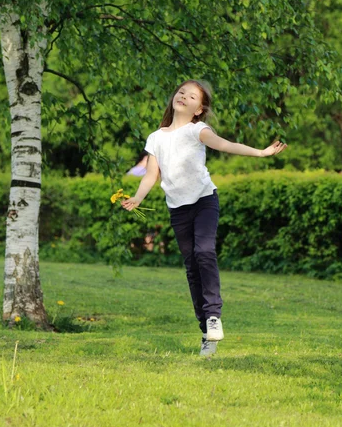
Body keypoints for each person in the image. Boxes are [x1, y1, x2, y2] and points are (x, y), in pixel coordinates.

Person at [121, 79, 287, 356]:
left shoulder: (197, 130)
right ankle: (206, 333)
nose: (184, 96)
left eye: (192, 96)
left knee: (205, 251)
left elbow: (225, 144)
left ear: (199, 109)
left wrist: (260, 152)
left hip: (204, 201)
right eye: (181, 92)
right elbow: (151, 174)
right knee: (192, 267)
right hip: (178, 209)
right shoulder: (156, 137)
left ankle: (213, 316)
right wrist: (138, 197)